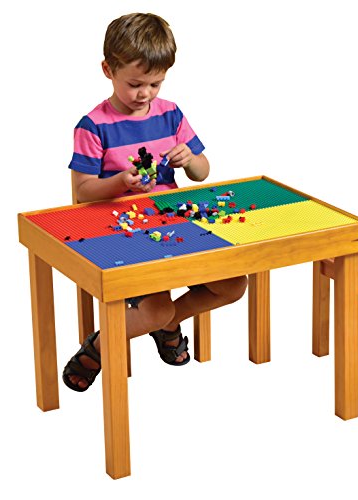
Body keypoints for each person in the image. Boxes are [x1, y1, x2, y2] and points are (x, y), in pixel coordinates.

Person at [63, 13, 247, 391]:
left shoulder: (171, 114)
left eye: (155, 83)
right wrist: (119, 182)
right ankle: (101, 344)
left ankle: (166, 323)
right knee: (156, 308)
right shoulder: (93, 125)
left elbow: (202, 172)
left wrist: (190, 159)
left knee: (233, 285)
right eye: (135, 84)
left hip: (173, 222)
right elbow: (83, 191)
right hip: (118, 230)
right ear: (108, 70)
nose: (145, 93)